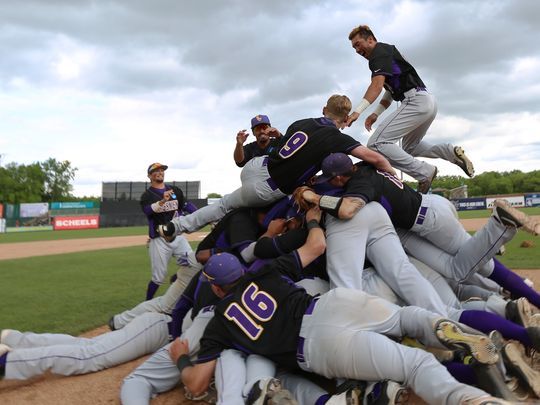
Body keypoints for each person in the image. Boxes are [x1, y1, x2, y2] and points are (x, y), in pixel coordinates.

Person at [167, 218, 509, 404]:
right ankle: (440, 326)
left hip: (317, 348)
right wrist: (314, 219)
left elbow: (196, 384)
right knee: (407, 317)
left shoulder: (219, 323)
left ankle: (468, 400)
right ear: (240, 274)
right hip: (337, 303)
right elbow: (316, 245)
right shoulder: (264, 271)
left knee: (415, 366)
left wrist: (181, 357)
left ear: (214, 287)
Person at [297, 153, 540, 307]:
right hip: (417, 223)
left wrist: (315, 197)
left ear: (339, 178)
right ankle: (522, 292)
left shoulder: (361, 182)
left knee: (461, 270)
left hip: (430, 218)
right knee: (467, 266)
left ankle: (499, 223)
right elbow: (380, 160)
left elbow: (347, 210)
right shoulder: (363, 166)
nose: (329, 183)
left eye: (331, 179)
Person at [159, 94, 395, 237]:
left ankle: (174, 226)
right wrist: (393, 173)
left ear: (324, 110)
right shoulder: (337, 137)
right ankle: (179, 228)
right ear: (345, 120)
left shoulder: (301, 121)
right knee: (228, 205)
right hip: (267, 188)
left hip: (256, 166)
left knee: (223, 204)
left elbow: (286, 146)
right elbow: (375, 159)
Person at [345, 24, 475, 193]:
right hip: (426, 101)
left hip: (415, 102)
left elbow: (376, 85)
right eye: (354, 47)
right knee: (409, 148)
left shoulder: (379, 52)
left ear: (370, 40)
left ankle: (425, 172)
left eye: (358, 44)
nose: (356, 49)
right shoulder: (386, 54)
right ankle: (450, 152)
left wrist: (357, 111)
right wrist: (376, 113)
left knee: (376, 144)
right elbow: (389, 93)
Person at [0, 312, 171, 380]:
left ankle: (15, 340)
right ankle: (7, 362)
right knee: (90, 356)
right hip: (159, 330)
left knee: (86, 345)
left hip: (155, 324)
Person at [141, 162, 196, 300]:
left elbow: (186, 205)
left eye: (162, 170)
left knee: (193, 264)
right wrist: (162, 201)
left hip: (177, 237)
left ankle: (175, 279)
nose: (160, 172)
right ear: (149, 176)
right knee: (158, 278)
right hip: (159, 241)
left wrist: (202, 214)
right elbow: (148, 211)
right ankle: (147, 303)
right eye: (156, 171)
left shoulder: (175, 190)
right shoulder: (147, 195)